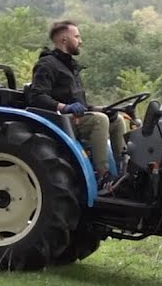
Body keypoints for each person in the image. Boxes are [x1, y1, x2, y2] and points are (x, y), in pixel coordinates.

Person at [27, 20, 127, 192]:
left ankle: (124, 172)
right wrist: (65, 107)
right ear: (64, 39)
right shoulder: (47, 64)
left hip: (76, 117)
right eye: (77, 36)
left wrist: (103, 109)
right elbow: (36, 97)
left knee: (117, 120)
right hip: (59, 120)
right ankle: (102, 175)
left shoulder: (70, 67)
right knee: (99, 121)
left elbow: (81, 104)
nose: (80, 41)